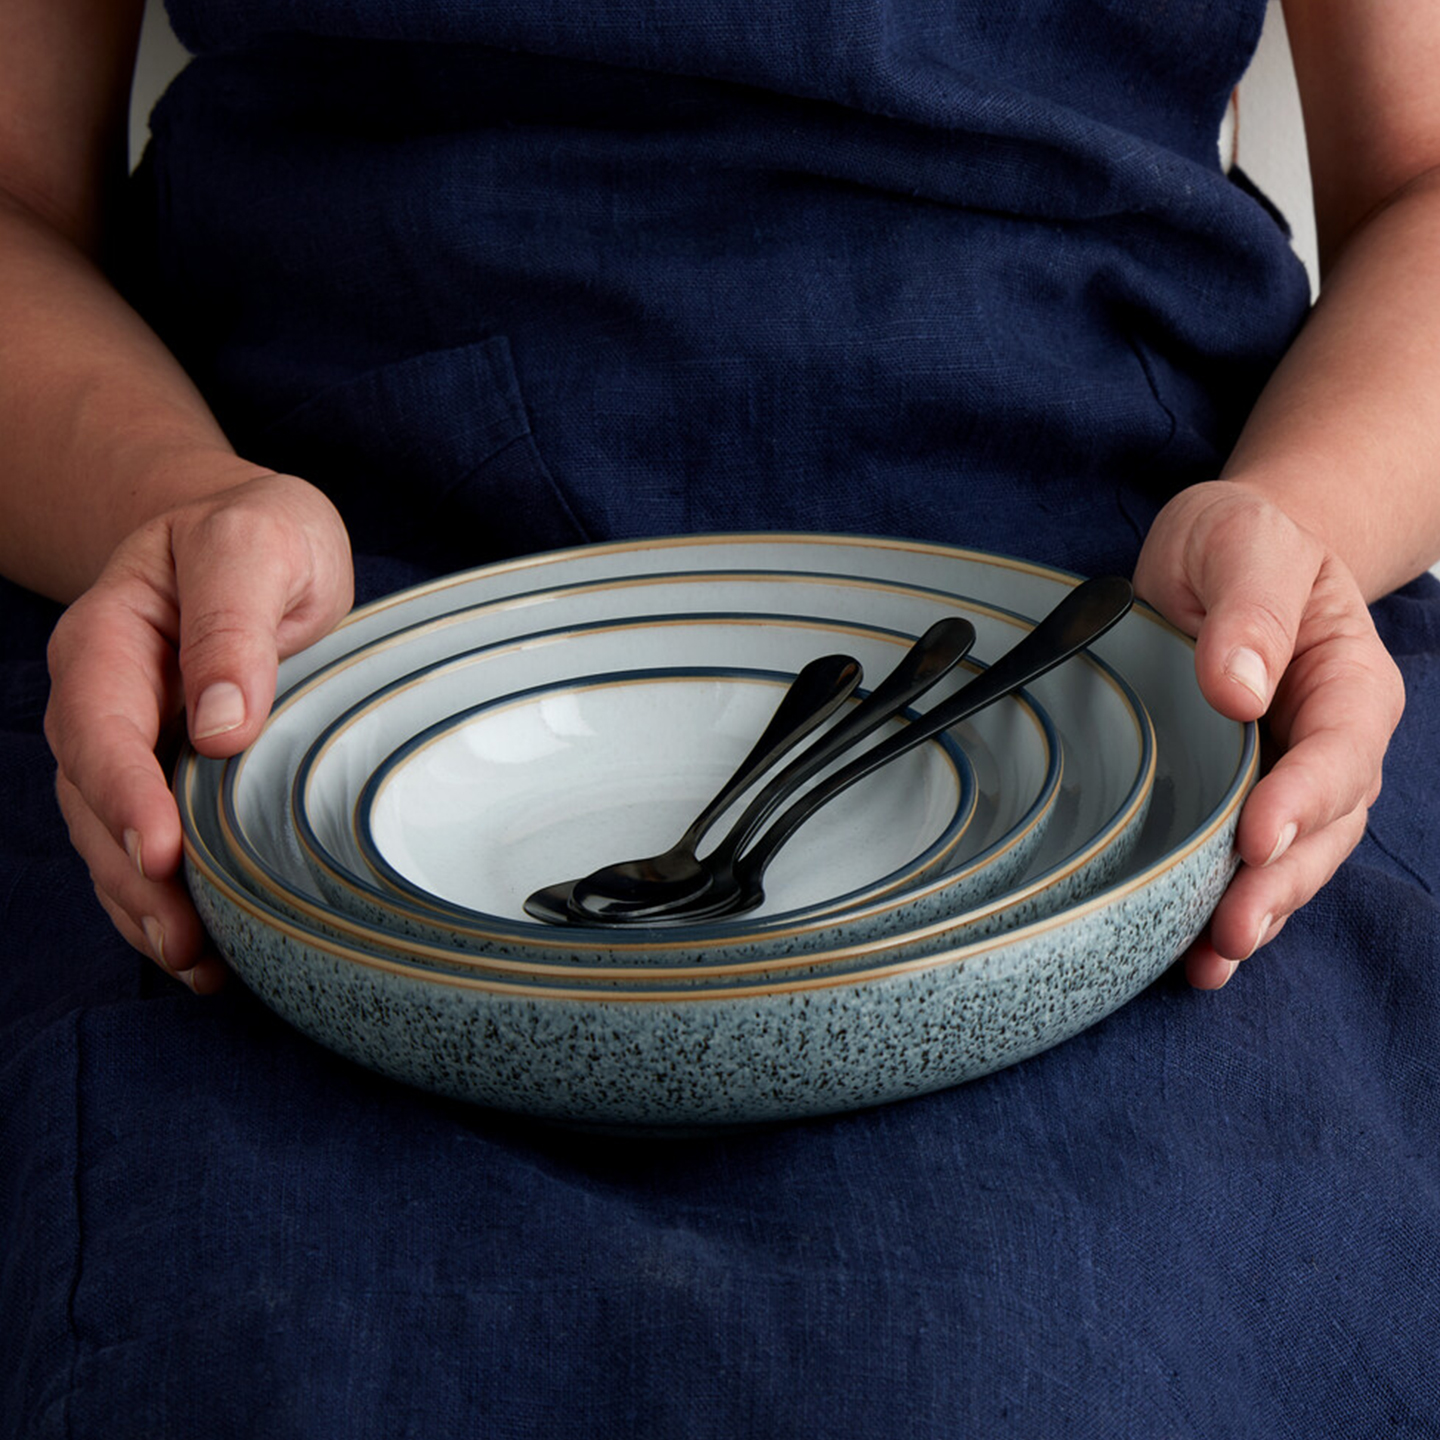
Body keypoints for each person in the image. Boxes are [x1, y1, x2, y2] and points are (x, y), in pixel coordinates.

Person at [2, 0, 1437, 1433]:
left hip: (1112, 613)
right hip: (311, 603)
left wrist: (1296, 528)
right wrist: (176, 511)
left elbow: (1423, 175)